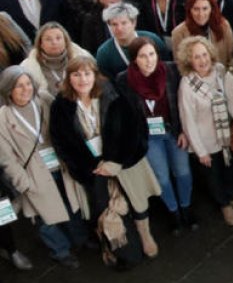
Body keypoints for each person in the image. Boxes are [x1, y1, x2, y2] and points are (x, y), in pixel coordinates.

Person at [48, 55, 161, 259]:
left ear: (95, 75)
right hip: (93, 168)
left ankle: (145, 234)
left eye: (87, 73)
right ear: (68, 78)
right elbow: (62, 143)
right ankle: (117, 242)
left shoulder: (114, 93)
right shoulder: (60, 106)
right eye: (76, 74)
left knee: (137, 200)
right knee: (107, 208)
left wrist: (117, 162)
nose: (83, 79)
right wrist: (89, 168)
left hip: (122, 160)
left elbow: (134, 127)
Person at [0, 66, 85, 269]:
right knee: (44, 218)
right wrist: (24, 183)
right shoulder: (3, 118)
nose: (25, 89)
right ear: (8, 89)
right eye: (18, 86)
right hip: (33, 176)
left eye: (28, 83)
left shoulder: (44, 99)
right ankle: (60, 251)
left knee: (71, 205)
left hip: (59, 167)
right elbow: (6, 158)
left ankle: (80, 239)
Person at [115, 37, 195, 234]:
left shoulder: (170, 70)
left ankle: (186, 208)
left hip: (173, 130)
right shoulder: (124, 79)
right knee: (162, 177)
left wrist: (184, 130)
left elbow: (182, 103)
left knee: (183, 172)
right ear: (134, 60)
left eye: (152, 54)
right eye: (142, 56)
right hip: (149, 136)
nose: (149, 60)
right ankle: (173, 212)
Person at [176, 36, 233, 227]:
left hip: (226, 136)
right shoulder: (187, 84)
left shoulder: (220, 71)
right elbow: (188, 120)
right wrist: (200, 151)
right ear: (189, 60)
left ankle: (232, 197)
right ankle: (224, 204)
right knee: (213, 177)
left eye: (204, 54)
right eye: (196, 57)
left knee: (229, 170)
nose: (202, 60)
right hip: (205, 141)